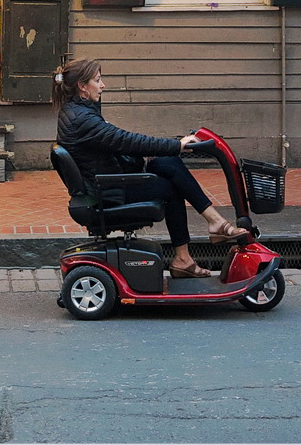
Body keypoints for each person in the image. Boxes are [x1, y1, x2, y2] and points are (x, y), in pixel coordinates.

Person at [53, 58, 250, 279]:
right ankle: (205, 235)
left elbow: (115, 143)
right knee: (171, 186)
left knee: (168, 163)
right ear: (82, 85)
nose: (103, 85)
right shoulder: (83, 119)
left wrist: (162, 151)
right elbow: (126, 140)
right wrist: (178, 146)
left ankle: (205, 234)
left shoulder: (75, 112)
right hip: (108, 191)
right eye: (98, 80)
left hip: (106, 182)